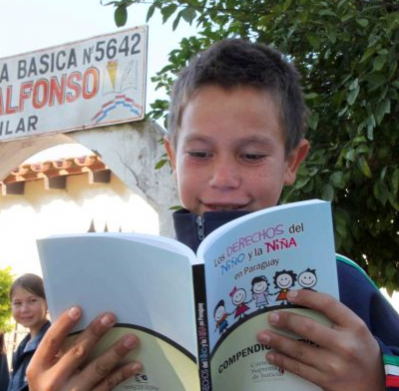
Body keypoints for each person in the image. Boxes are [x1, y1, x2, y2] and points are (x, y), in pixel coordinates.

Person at [27, 38, 399, 390]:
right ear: (173, 158)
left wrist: (376, 379)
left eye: (251, 155)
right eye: (200, 154)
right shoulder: (121, 286)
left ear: (292, 162)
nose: (223, 179)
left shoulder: (341, 281)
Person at [7, 273, 51, 391]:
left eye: (32, 301)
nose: (24, 309)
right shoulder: (23, 345)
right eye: (17, 303)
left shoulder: (53, 342)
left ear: (47, 302)